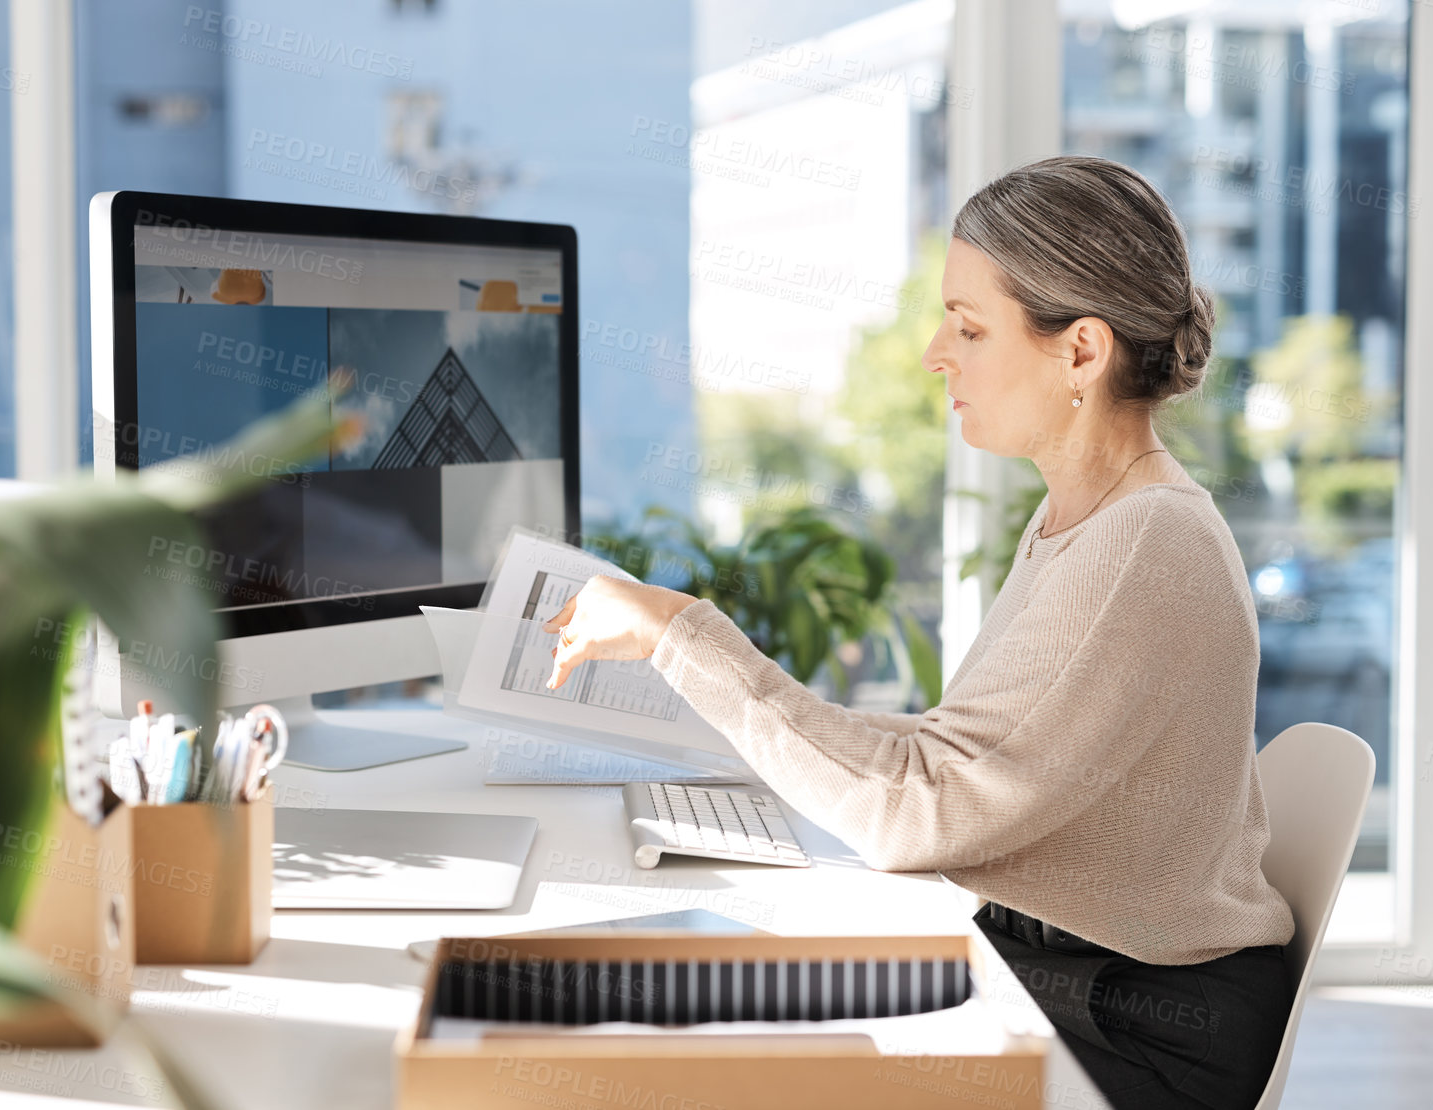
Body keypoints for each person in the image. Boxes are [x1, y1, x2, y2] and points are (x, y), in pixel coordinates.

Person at [541, 154, 1295, 1110]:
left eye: (970, 326)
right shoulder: (1089, 515)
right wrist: (762, 730)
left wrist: (685, 634)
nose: (938, 352)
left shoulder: (1143, 542)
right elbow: (965, 757)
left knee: (714, 1054)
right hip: (1069, 979)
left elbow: (920, 813)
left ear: (1082, 352)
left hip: (1131, 1035)